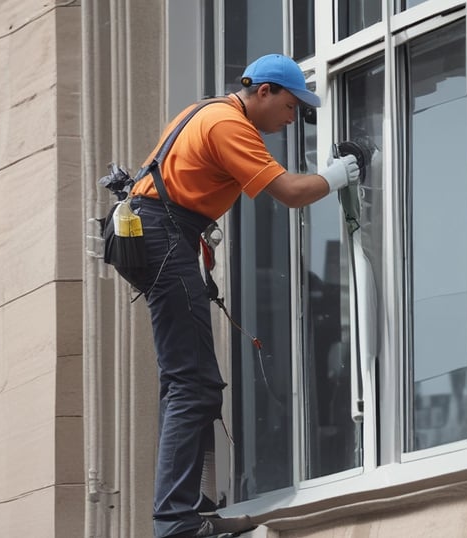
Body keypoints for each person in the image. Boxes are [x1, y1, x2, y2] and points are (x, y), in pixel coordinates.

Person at [128, 53, 360, 538]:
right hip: (162, 237)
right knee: (192, 384)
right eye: (292, 106)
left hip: (161, 236)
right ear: (265, 92)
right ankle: (177, 522)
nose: (293, 118)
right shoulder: (228, 124)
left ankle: (191, 513)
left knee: (191, 384)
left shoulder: (206, 111)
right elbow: (292, 192)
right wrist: (343, 172)